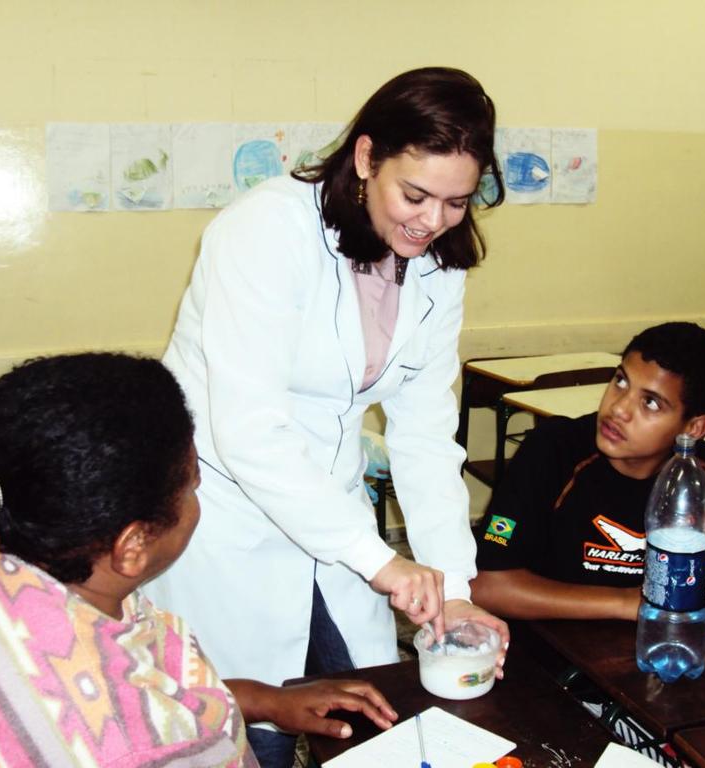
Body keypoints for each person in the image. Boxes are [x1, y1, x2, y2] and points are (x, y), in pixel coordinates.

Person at [142, 66, 510, 766]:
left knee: (372, 715)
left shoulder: (438, 267)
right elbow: (248, 430)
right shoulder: (263, 231)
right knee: (248, 737)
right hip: (228, 510)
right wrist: (385, 565)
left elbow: (426, 436)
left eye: (457, 202)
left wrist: (452, 588)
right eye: (416, 194)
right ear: (367, 157)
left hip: (332, 512)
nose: (432, 222)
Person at [0, 354, 397, 767]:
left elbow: (139, 679)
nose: (199, 495)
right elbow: (134, 726)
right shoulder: (139, 746)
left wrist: (259, 700)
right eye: (194, 484)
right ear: (132, 546)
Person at [471, 323, 705, 622]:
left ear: (693, 428)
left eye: (650, 402)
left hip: (657, 649)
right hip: (549, 650)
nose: (619, 409)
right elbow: (486, 585)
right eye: (620, 381)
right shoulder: (553, 450)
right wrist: (630, 604)